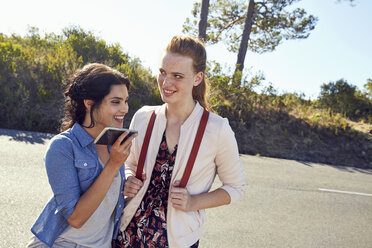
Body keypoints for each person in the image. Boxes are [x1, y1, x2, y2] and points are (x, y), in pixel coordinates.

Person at [113, 35, 246, 248]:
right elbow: (129, 164)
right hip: (128, 234)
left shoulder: (217, 129)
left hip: (178, 241)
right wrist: (128, 178)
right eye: (162, 72)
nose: (166, 83)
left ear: (197, 78)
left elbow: (235, 187)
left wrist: (194, 202)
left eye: (177, 76)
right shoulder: (143, 116)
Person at [27, 63, 135, 248]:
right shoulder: (63, 147)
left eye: (125, 101)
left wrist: (128, 183)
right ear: (89, 103)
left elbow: (106, 202)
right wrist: (113, 165)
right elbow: (76, 218)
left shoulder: (115, 145)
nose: (124, 109)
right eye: (115, 102)